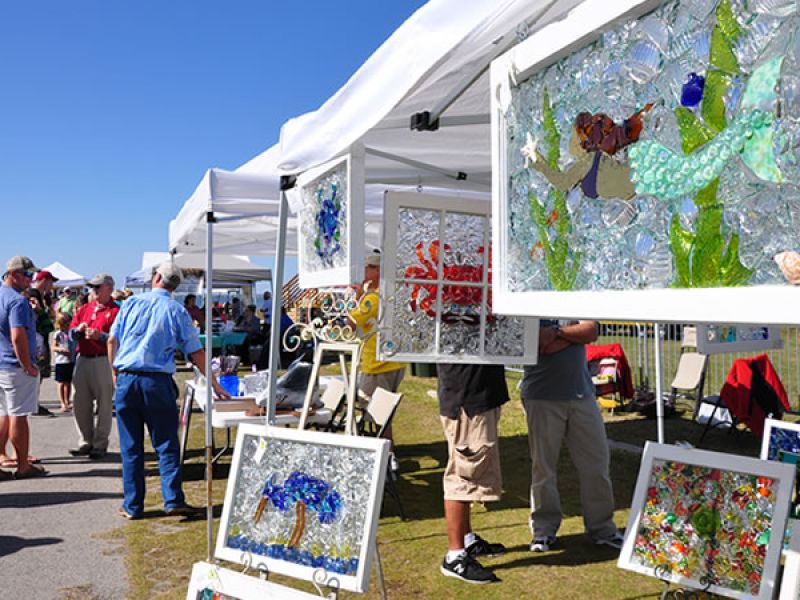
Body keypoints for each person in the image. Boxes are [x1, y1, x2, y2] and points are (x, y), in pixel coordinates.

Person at [108, 262, 229, 519]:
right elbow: (195, 351)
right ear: (175, 286)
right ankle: (172, 498)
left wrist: (114, 372)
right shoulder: (177, 310)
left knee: (131, 447)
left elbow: (111, 339)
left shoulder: (130, 303)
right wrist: (215, 384)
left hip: (128, 379)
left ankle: (133, 505)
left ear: (156, 278)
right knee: (166, 443)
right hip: (156, 381)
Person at [521, 319, 623, 553]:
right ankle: (543, 530)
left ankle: (602, 529)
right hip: (542, 395)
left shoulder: (574, 296)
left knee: (596, 464)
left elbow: (590, 331)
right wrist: (570, 335)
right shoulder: (528, 303)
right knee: (543, 467)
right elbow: (533, 342)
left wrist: (556, 333)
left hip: (582, 395)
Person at [438, 363, 509, 584]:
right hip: (467, 397)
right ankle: (455, 556)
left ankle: (466, 540)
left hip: (477, 394)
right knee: (463, 476)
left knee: (470, 471)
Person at [350, 251, 407, 470]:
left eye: (368, 267)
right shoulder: (388, 295)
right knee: (383, 414)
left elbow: (351, 323)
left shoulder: (373, 299)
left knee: (378, 415)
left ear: (377, 271)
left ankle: (386, 457)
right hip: (391, 362)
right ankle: (386, 455)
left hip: (377, 365)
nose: (364, 272)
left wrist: (355, 299)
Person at [0, 256, 47, 479]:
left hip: (2, 364)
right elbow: (17, 336)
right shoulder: (17, 301)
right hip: (13, 366)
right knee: (19, 415)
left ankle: (3, 458)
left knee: (4, 413)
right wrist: (27, 364)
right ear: (14, 274)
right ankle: (23, 466)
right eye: (28, 275)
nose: (31, 279)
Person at [69, 273, 120, 459]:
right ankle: (85, 440)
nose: (94, 290)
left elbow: (120, 339)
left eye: (98, 287)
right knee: (80, 402)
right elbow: (70, 334)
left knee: (104, 404)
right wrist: (77, 331)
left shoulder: (116, 311)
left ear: (109, 288)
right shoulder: (84, 309)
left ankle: (100, 444)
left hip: (103, 359)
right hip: (83, 358)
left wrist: (102, 337)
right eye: (93, 287)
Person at [29, 269, 58, 415]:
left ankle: (34, 403)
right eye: (51, 281)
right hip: (36, 340)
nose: (52, 285)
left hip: (40, 338)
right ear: (44, 280)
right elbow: (37, 319)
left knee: (38, 374)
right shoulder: (33, 295)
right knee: (36, 373)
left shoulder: (42, 296)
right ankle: (33, 405)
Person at [52, 312, 76, 412]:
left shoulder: (71, 332)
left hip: (70, 361)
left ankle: (67, 401)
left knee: (68, 382)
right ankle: (62, 402)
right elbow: (53, 347)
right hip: (61, 361)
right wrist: (61, 349)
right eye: (64, 324)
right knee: (61, 382)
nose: (66, 326)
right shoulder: (58, 334)